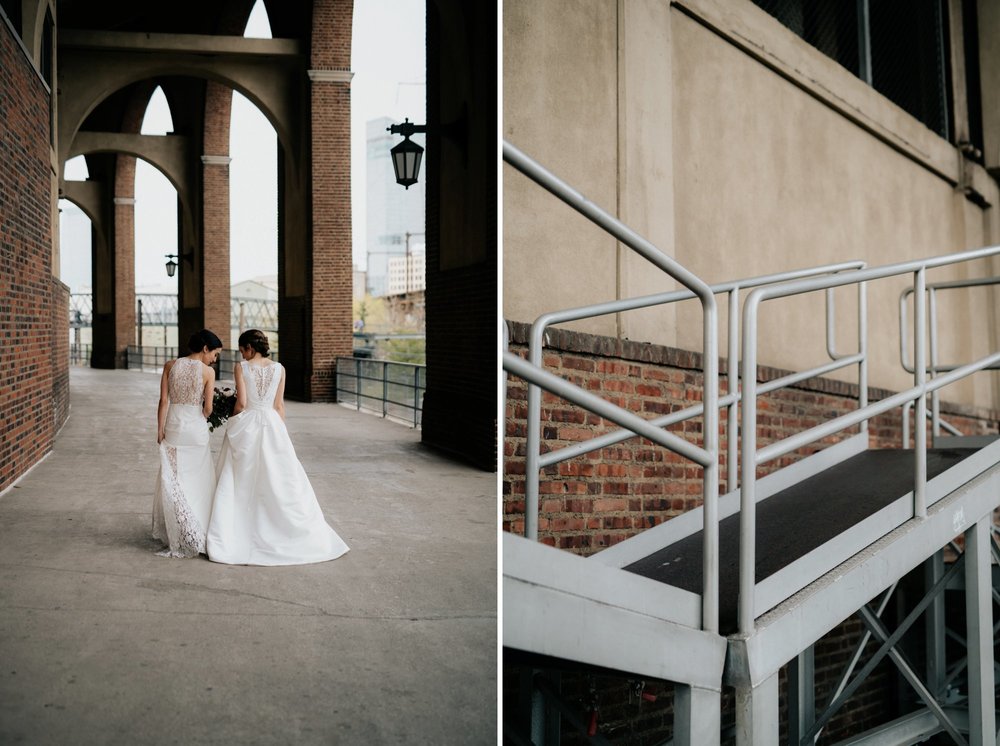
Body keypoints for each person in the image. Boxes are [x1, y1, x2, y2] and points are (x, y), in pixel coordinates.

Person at [207, 329, 349, 565]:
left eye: (243, 350)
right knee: (279, 477)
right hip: (273, 424)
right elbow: (279, 405)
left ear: (250, 348)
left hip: (249, 423)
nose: (241, 355)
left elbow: (241, 403)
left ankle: (240, 527)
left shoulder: (242, 368)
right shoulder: (279, 369)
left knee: (242, 477)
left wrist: (231, 421)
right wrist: (279, 433)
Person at [152, 329, 223, 558]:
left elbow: (164, 400)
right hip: (195, 429)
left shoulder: (170, 366)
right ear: (205, 348)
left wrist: (160, 429)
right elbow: (208, 409)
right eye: (215, 353)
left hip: (173, 426)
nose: (215, 358)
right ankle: (196, 527)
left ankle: (179, 529)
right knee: (198, 478)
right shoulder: (208, 372)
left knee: (173, 477)